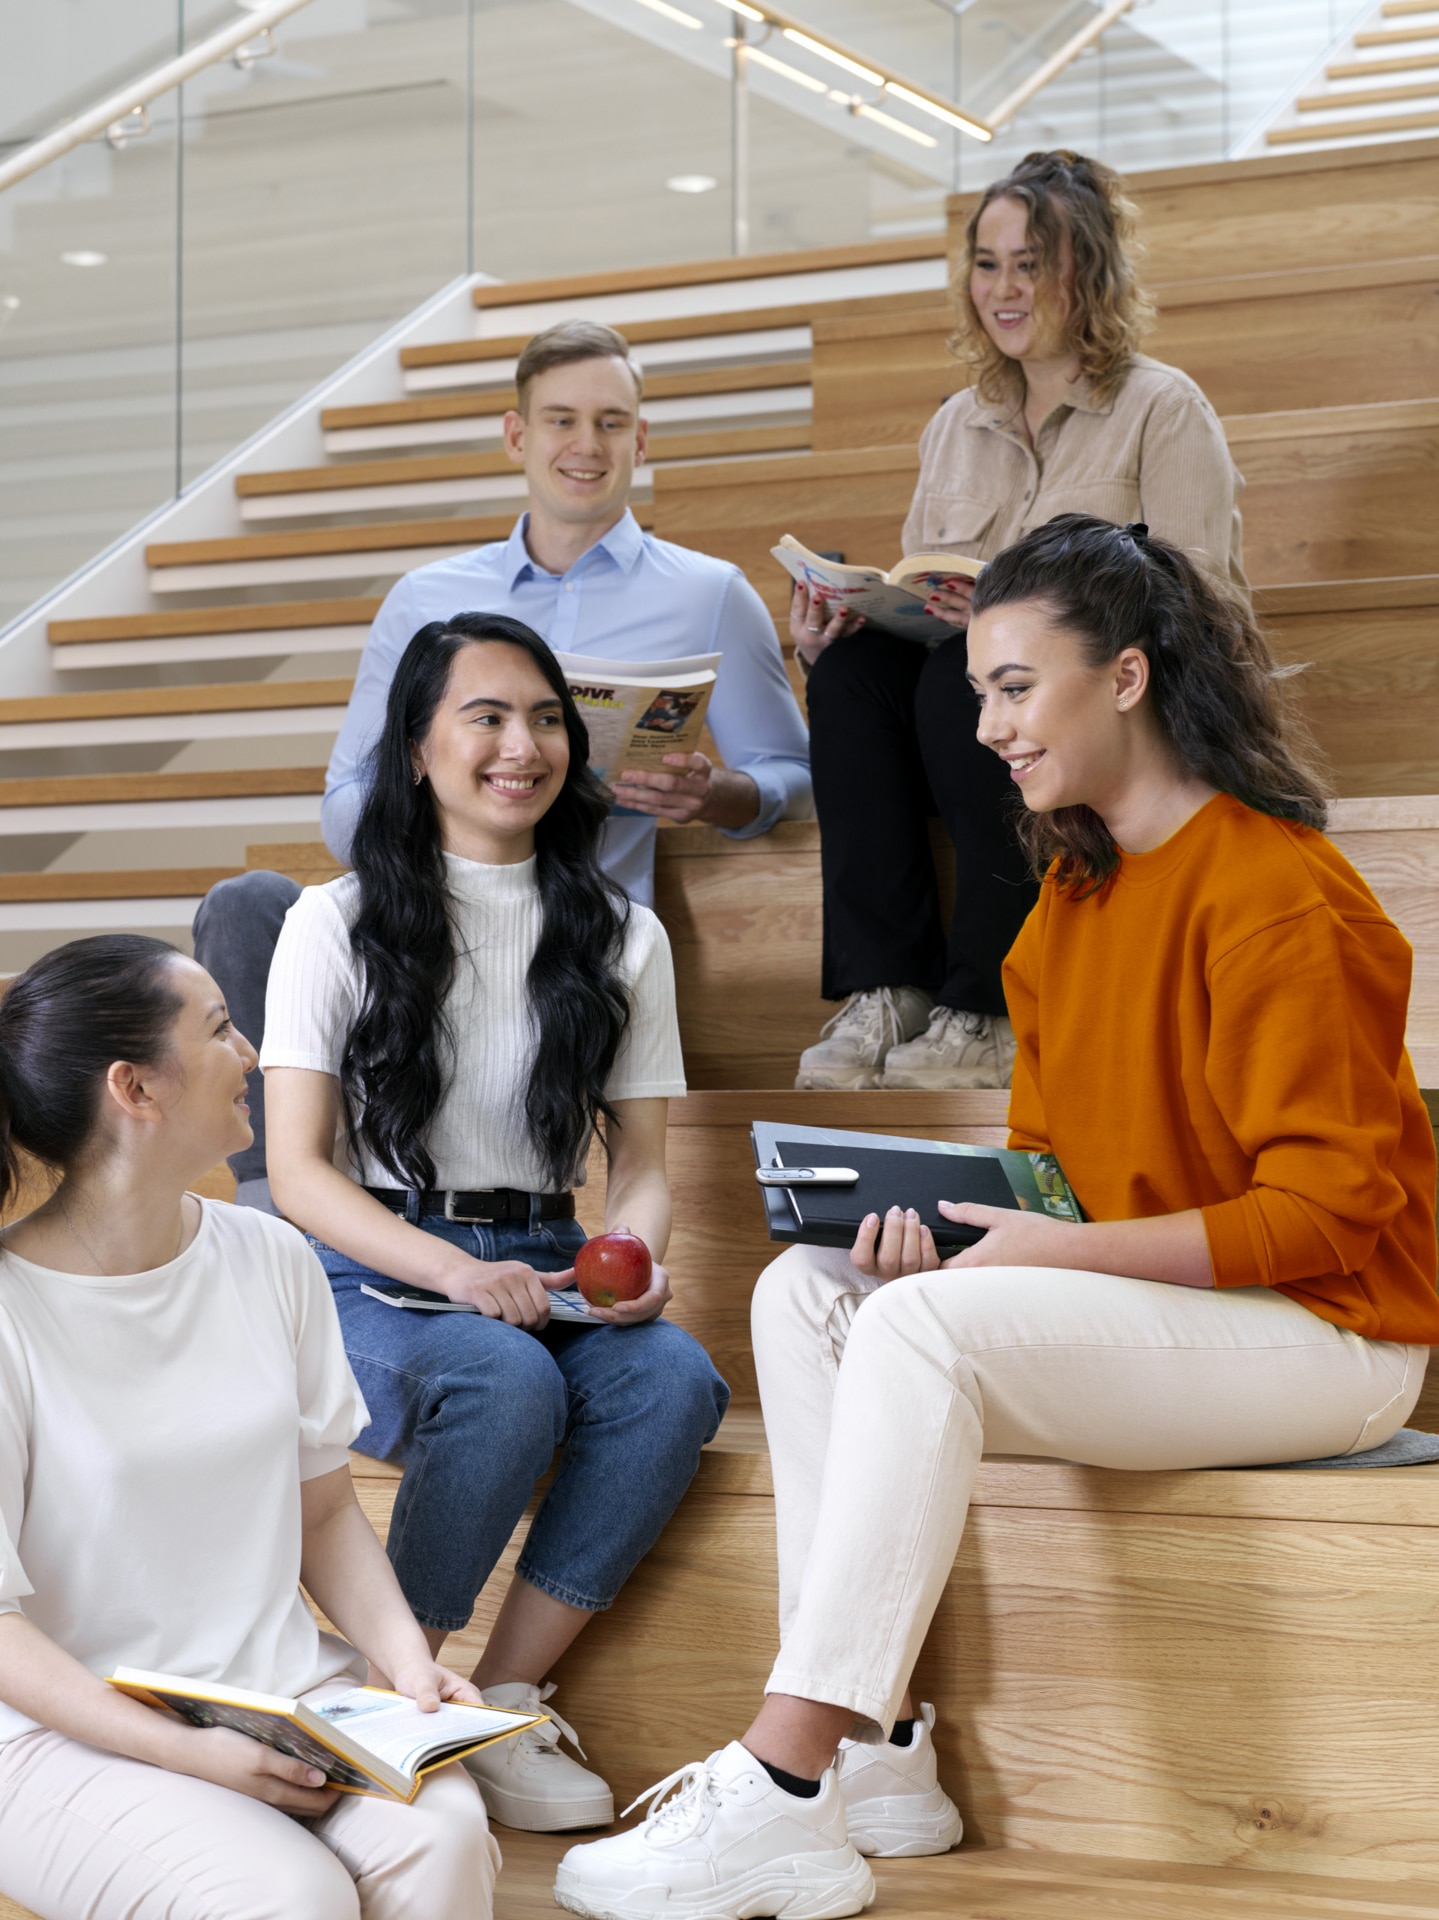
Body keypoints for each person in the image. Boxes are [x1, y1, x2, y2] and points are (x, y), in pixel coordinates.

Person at [550, 515, 1439, 1920]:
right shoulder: (1062, 913)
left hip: (1327, 1337)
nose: (985, 728)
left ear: (1128, 678)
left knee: (915, 1335)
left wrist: (1048, 1253)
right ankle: (884, 1756)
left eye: (1013, 688)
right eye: (975, 693)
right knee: (804, 1293)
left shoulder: (1278, 895)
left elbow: (1327, 1220)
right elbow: (1052, 1187)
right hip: (1168, 1313)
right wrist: (942, 1230)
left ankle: (782, 1780)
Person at [261, 612, 729, 1835]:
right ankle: (396, 1699)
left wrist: (630, 1262)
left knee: (673, 1378)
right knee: (504, 1383)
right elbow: (301, 1177)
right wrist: (454, 1277)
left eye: (543, 719)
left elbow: (641, 1169)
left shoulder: (621, 933)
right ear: (416, 748)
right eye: (484, 718)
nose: (520, 746)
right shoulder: (334, 920)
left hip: (542, 1261)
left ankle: (506, 1696)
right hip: (364, 1267)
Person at [196, 318, 811, 1213]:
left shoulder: (708, 593)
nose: (585, 445)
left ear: (640, 438)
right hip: (415, 916)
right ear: (518, 435)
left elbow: (791, 775)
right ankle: (275, 1205)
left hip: (560, 932)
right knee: (248, 906)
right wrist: (454, 790)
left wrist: (718, 795)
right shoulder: (428, 600)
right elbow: (344, 800)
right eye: (561, 420)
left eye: (610, 422)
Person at [0, 934, 498, 1920]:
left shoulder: (269, 1256)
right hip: (57, 1735)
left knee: (444, 1838)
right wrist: (188, 1753)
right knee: (283, 1894)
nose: (256, 1056)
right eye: (222, 1028)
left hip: (277, 1698)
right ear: (134, 1090)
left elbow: (323, 1516)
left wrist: (406, 1666)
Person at [792, 148, 1247, 1094]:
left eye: (1029, 264)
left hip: (1112, 701)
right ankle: (889, 989)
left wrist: (1017, 618)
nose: (1001, 288)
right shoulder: (955, 423)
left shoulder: (1162, 408)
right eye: (987, 263)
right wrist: (856, 617)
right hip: (965, 694)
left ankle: (989, 1008)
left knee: (982, 658)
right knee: (850, 673)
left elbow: (1200, 602)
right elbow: (927, 579)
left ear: (1087, 270)